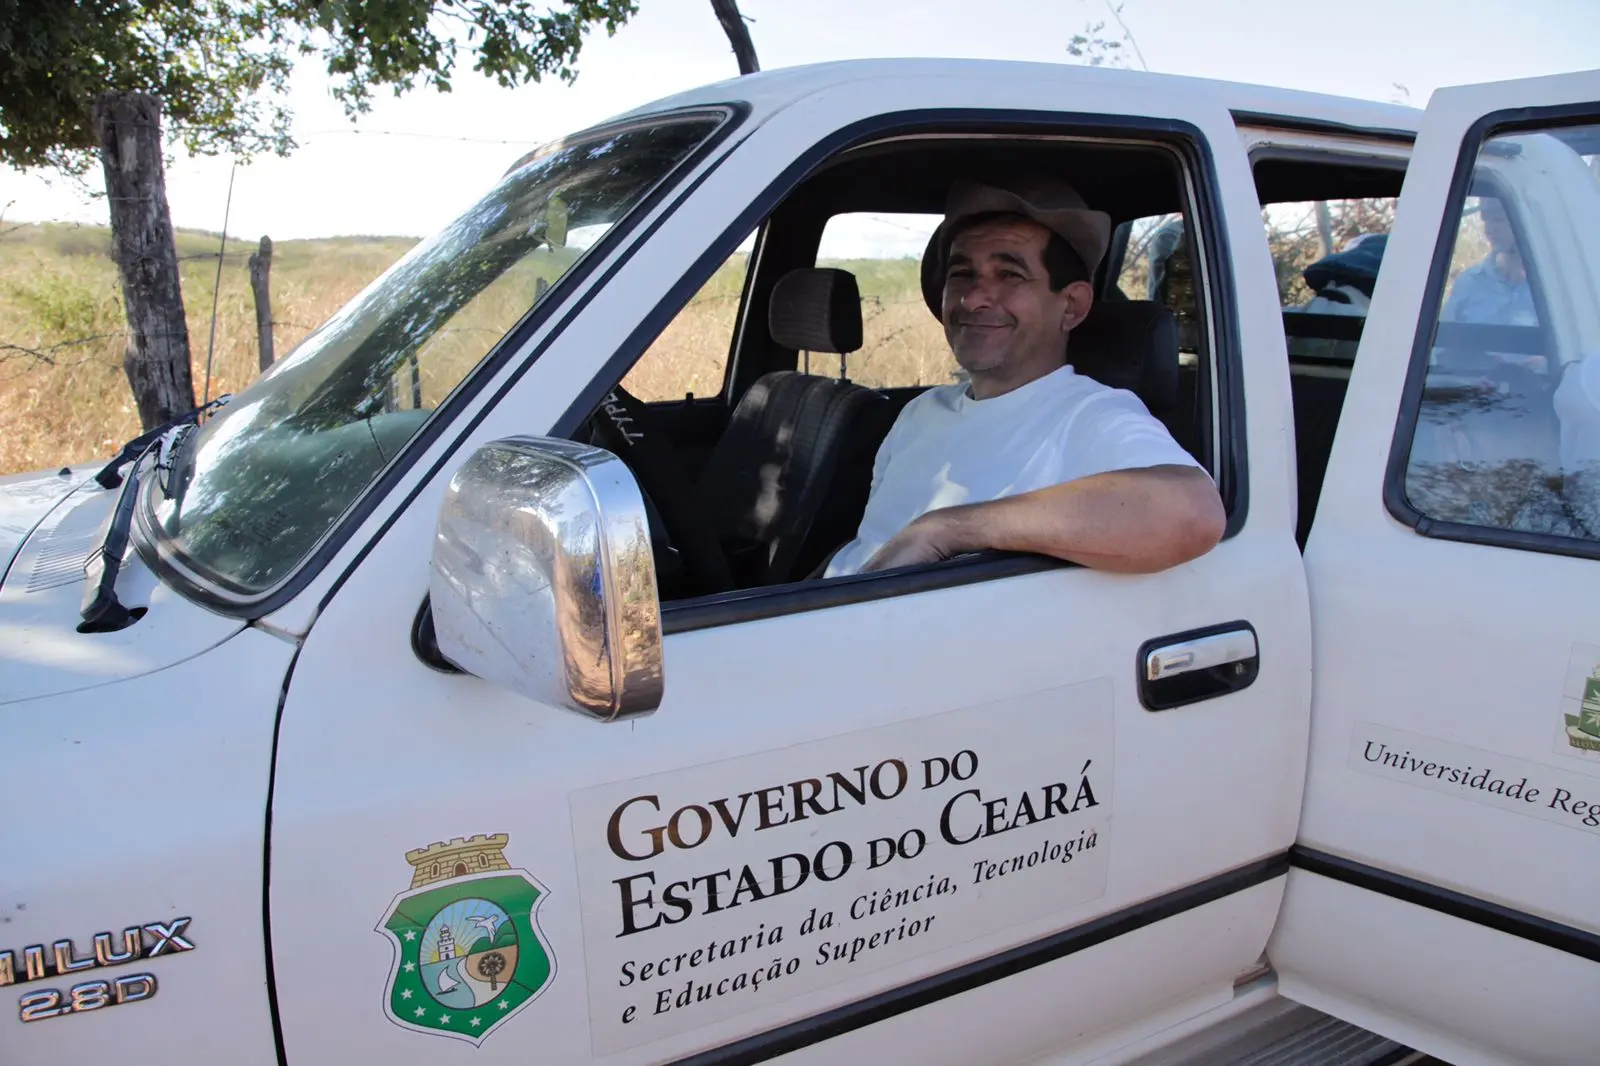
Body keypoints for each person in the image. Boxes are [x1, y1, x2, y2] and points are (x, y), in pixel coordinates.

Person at [824, 176, 1225, 577]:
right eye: (962, 274)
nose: (973, 298)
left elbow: (1194, 513)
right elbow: (867, 544)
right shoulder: (920, 412)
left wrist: (945, 530)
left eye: (1009, 275)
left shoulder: (1090, 415)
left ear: (1071, 305)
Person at [1442, 197, 1536, 326]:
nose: (1489, 230)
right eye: (1486, 220)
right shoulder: (1468, 285)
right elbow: (1443, 342)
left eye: (1498, 219)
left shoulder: (1552, 287)